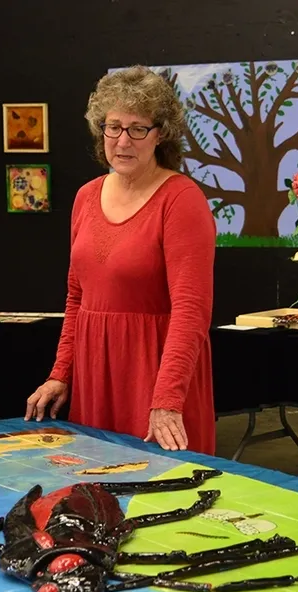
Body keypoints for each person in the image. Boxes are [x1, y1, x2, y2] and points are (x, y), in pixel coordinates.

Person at [25, 65, 216, 454]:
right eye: (113, 127)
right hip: (97, 372)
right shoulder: (85, 197)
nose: (123, 141)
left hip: (155, 374)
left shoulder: (181, 200)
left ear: (159, 134)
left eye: (137, 128)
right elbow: (77, 297)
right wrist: (61, 373)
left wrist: (166, 399)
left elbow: (191, 309)